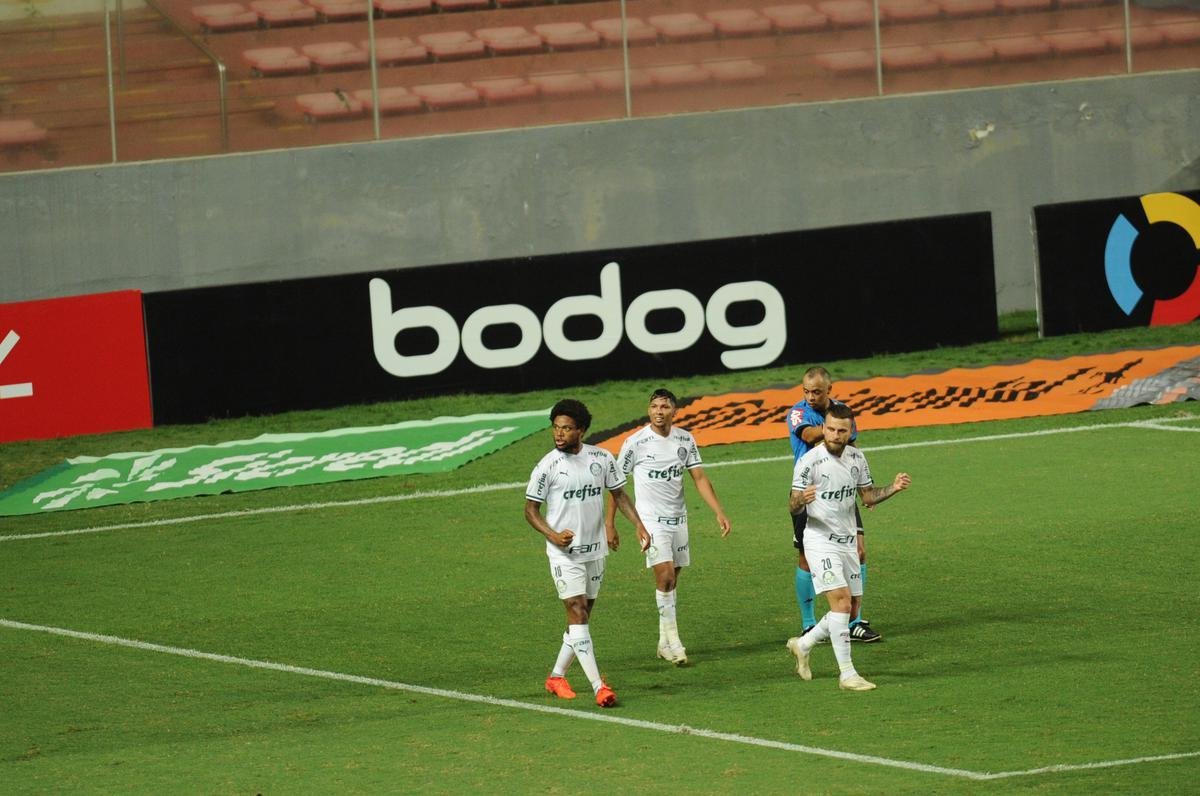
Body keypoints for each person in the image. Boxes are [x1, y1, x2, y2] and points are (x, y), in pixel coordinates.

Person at [525, 398, 649, 708]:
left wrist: (638, 525)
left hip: (595, 551)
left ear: (581, 430)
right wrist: (553, 535)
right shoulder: (547, 466)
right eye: (555, 428)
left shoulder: (602, 458)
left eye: (566, 428)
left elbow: (619, 494)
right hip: (563, 554)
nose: (559, 434)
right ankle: (599, 687)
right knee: (577, 611)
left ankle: (556, 677)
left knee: (581, 619)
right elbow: (530, 511)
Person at [785, 403, 911, 691]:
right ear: (824, 428)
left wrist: (892, 488)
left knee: (851, 610)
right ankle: (847, 674)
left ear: (850, 431)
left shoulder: (857, 458)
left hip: (847, 541)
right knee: (840, 602)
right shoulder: (809, 462)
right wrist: (800, 501)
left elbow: (867, 497)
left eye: (841, 430)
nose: (834, 435)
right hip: (819, 541)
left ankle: (803, 645)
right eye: (830, 429)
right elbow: (792, 505)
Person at [605, 388, 731, 666]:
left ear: (674, 411)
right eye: (654, 406)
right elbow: (616, 486)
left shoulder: (685, 439)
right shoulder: (635, 443)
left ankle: (663, 642)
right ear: (648, 410)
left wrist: (718, 511)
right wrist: (610, 524)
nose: (659, 411)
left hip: (679, 519)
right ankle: (675, 642)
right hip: (649, 521)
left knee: (671, 582)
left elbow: (698, 477)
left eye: (664, 407)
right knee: (664, 578)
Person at [786, 366, 882, 643]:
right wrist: (834, 423)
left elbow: (851, 448)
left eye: (817, 391)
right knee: (805, 558)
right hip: (809, 492)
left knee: (859, 551)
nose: (810, 396)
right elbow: (807, 436)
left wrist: (865, 487)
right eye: (806, 391)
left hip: (842, 489)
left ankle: (855, 621)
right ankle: (808, 623)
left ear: (830, 389)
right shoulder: (798, 413)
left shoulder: (842, 412)